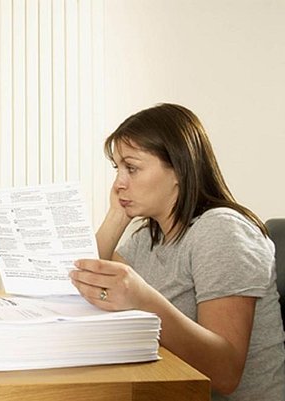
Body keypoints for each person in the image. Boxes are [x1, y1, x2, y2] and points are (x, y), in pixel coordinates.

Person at [70, 103, 285, 400]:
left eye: (131, 168)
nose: (118, 182)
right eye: (117, 169)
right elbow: (81, 280)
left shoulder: (222, 231)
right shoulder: (148, 237)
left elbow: (225, 373)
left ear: (179, 171)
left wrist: (144, 300)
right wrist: (116, 217)